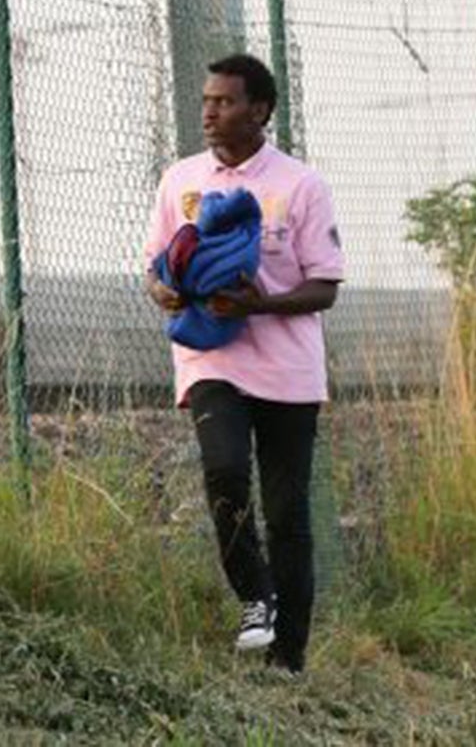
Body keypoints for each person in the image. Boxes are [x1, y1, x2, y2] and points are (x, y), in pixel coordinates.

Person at [143, 54, 345, 674]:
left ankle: (290, 659)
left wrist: (265, 303)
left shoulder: (299, 185)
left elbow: (326, 286)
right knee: (225, 473)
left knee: (287, 514)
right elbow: (155, 266)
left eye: (225, 102)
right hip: (211, 357)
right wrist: (167, 291)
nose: (209, 111)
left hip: (287, 370)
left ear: (259, 111)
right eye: (206, 101)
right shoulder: (181, 180)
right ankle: (256, 597)